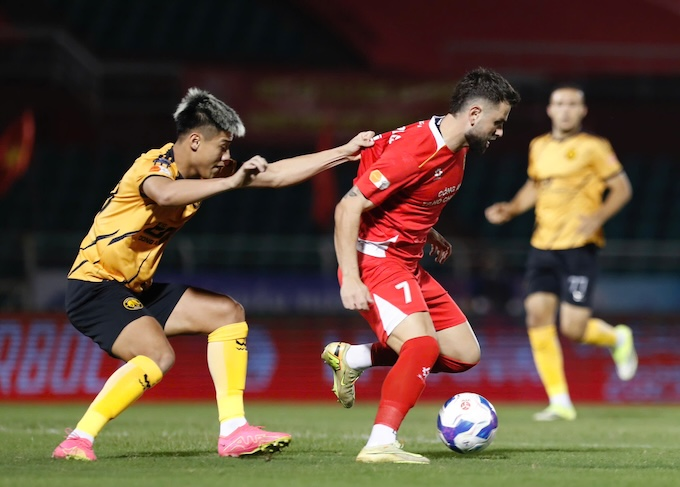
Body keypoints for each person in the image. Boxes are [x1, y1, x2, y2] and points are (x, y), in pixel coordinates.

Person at [51, 87, 375, 461]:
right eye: (222, 147)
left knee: (226, 313)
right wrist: (231, 182)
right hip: (95, 285)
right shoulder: (153, 166)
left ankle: (234, 431)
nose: (226, 157)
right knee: (157, 355)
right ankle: (77, 440)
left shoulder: (211, 171)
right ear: (194, 141)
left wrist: (343, 152)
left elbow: (274, 175)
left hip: (135, 288)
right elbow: (165, 194)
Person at [321, 67, 521, 464]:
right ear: (475, 114)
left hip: (408, 260)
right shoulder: (417, 149)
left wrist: (428, 232)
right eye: (498, 123)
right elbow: (348, 207)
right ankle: (380, 442)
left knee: (463, 354)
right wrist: (351, 279)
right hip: (376, 260)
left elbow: (404, 196)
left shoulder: (457, 146)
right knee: (423, 345)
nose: (500, 132)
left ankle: (353, 358)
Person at [484, 84, 637, 421]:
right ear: (550, 110)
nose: (565, 110)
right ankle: (560, 401)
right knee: (536, 314)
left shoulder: (594, 147)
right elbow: (535, 185)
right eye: (560, 104)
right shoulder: (538, 146)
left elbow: (622, 188)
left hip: (579, 246)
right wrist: (512, 208)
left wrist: (598, 216)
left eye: (572, 104)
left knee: (573, 328)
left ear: (582, 111)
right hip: (543, 246)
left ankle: (616, 337)